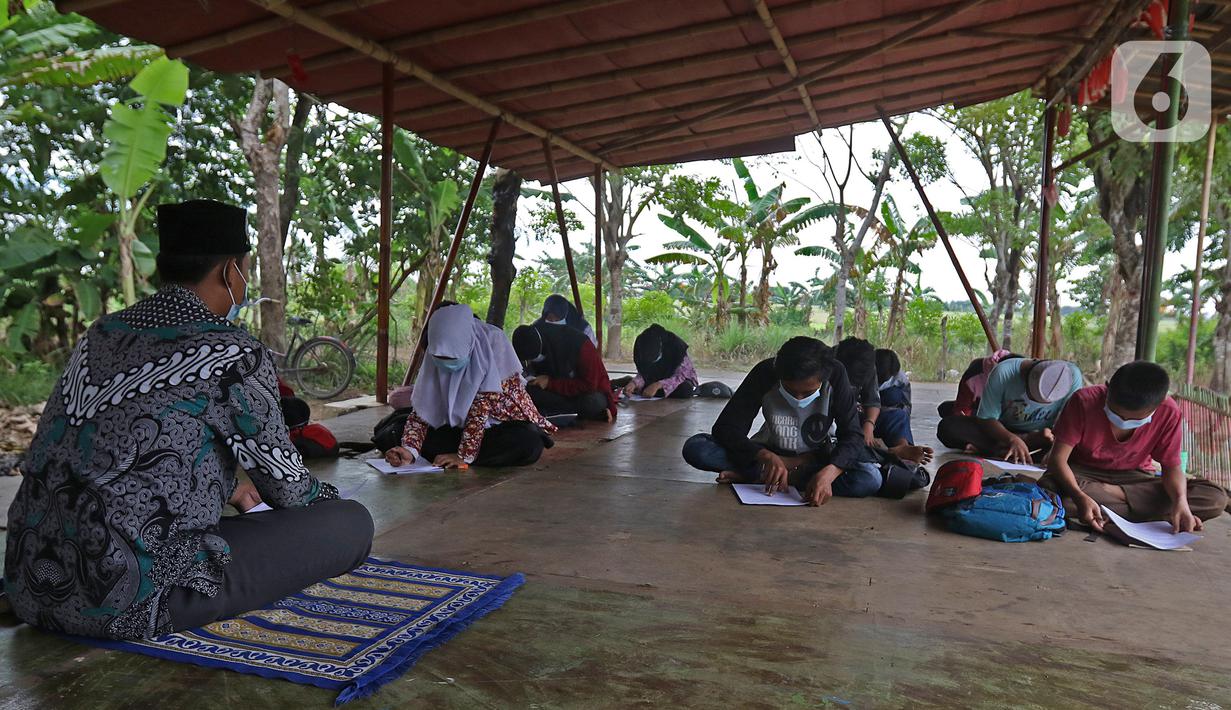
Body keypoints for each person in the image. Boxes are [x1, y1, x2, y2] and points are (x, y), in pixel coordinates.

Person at [3, 199, 373, 640]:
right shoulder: (230, 349)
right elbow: (289, 490)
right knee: (351, 522)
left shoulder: (100, 335)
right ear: (229, 272)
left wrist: (228, 487)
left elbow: (103, 446)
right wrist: (326, 502)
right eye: (245, 269)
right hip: (127, 599)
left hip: (33, 585)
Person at [681, 336, 880, 506]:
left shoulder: (835, 374)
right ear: (780, 374)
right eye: (791, 390)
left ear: (823, 379)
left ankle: (761, 477)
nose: (799, 398)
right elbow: (727, 428)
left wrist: (829, 473)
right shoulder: (766, 372)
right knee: (697, 448)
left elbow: (852, 434)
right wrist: (766, 456)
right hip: (765, 454)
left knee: (870, 478)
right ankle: (778, 474)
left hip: (814, 458)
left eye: (808, 392)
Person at [1039, 361, 1226, 533]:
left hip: (1135, 477)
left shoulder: (1168, 412)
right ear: (1107, 389)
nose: (1123, 422)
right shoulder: (1083, 401)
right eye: (1115, 413)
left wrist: (1180, 502)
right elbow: (1057, 461)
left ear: (1157, 406)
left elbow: (1172, 467)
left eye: (1134, 419)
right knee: (1049, 487)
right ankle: (1154, 515)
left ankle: (1101, 508)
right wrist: (1079, 496)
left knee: (1215, 498)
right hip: (1083, 474)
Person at [384, 304, 556, 469]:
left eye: (453, 359)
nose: (446, 366)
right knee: (397, 431)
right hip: (459, 428)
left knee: (528, 443)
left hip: (499, 428)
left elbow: (480, 411)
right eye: (440, 359)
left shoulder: (492, 346)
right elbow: (423, 408)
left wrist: (463, 456)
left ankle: (457, 456)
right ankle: (446, 455)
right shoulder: (433, 355)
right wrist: (410, 449)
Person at [936, 358, 1082, 463]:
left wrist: (1054, 447)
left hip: (1044, 436)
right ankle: (1014, 447)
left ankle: (1002, 450)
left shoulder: (1072, 376)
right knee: (948, 427)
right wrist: (1012, 439)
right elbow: (986, 419)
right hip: (1001, 431)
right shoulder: (1004, 372)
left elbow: (1070, 423)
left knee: (1074, 450)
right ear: (1026, 378)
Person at [835, 338, 931, 465]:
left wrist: (869, 424)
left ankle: (902, 446)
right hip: (839, 420)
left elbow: (873, 401)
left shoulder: (868, 366)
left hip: (857, 415)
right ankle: (886, 454)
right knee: (869, 475)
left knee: (898, 415)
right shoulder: (828, 368)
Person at [512, 322, 617, 422]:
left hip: (583, 393)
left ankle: (557, 411)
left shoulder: (579, 344)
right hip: (556, 394)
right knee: (528, 393)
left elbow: (589, 385)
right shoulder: (530, 338)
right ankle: (562, 412)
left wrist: (550, 383)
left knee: (593, 402)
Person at [874, 348, 932, 463]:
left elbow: (906, 404)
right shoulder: (859, 372)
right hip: (861, 415)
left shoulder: (899, 378)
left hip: (881, 411)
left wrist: (902, 419)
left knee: (899, 413)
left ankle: (903, 447)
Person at [622, 324, 700, 399]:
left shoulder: (676, 349)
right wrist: (634, 383)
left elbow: (680, 377)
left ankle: (649, 390)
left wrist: (658, 385)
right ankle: (635, 386)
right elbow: (645, 373)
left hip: (675, 382)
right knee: (636, 386)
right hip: (653, 382)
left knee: (685, 389)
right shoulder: (641, 346)